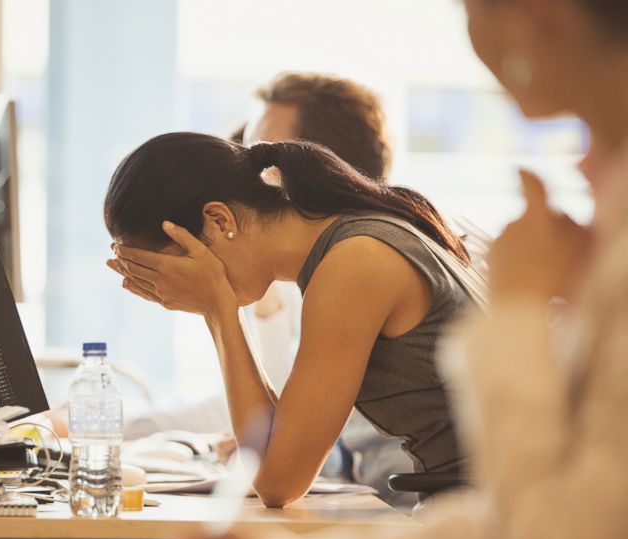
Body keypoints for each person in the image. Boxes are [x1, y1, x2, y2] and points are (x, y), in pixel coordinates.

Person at [175, 0, 628, 539]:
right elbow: (518, 517)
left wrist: (522, 314)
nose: (585, 171)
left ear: (537, 15)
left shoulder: (360, 257)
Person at [105, 133, 487, 507]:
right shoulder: (349, 245)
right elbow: (275, 444)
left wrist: (217, 308)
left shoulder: (354, 262)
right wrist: (218, 307)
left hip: (488, 516)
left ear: (219, 221)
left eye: (179, 267)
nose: (177, 288)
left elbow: (277, 482)